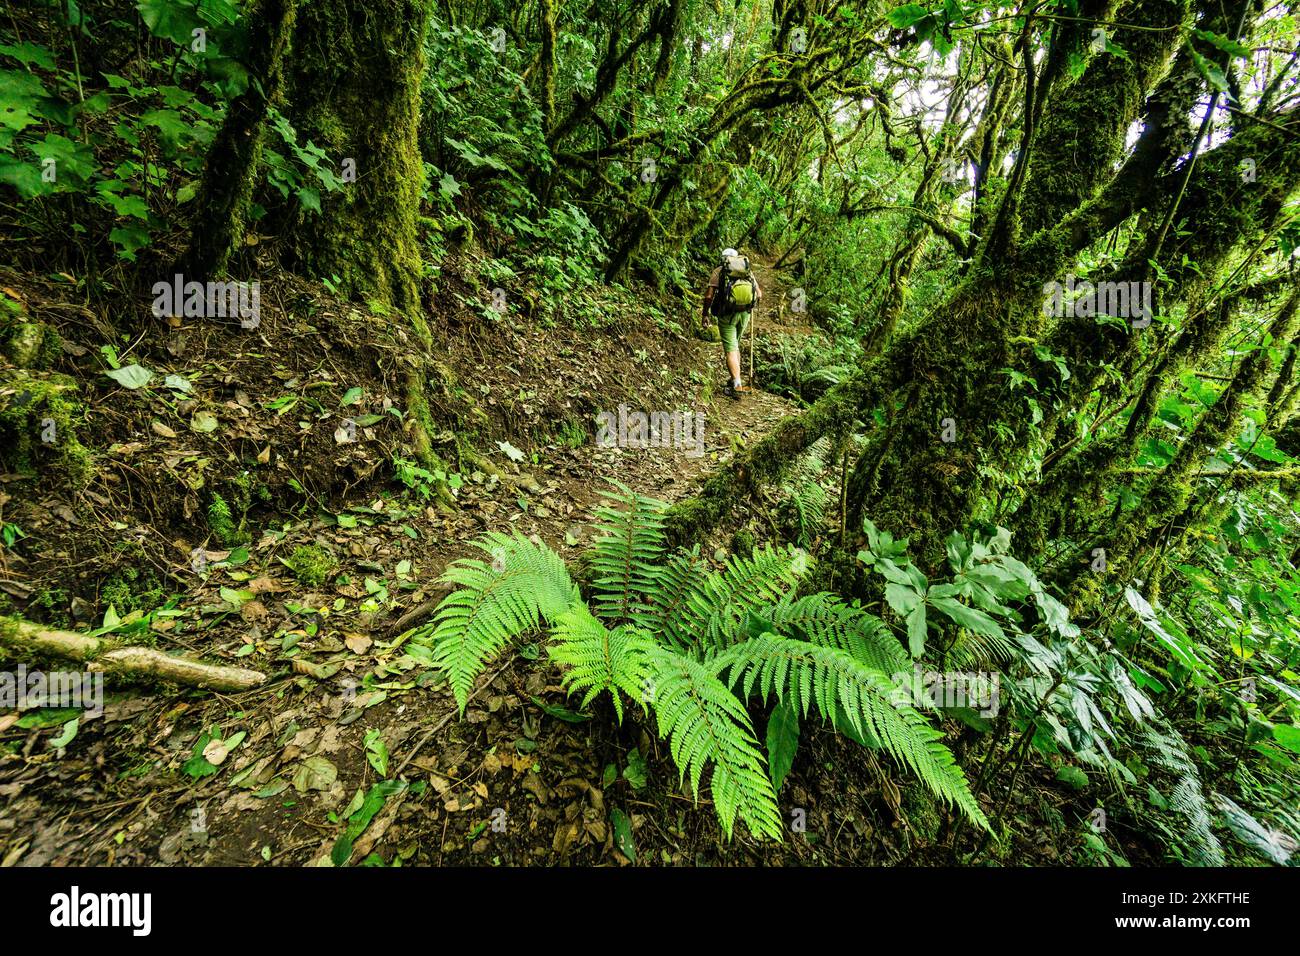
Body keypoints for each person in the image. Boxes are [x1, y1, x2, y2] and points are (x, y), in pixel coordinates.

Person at [702, 247, 761, 399]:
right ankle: (735, 378)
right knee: (735, 346)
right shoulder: (747, 272)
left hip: (727, 315)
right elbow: (759, 294)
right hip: (744, 314)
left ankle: (736, 385)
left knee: (730, 350)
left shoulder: (719, 271)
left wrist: (705, 314)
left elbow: (709, 296)